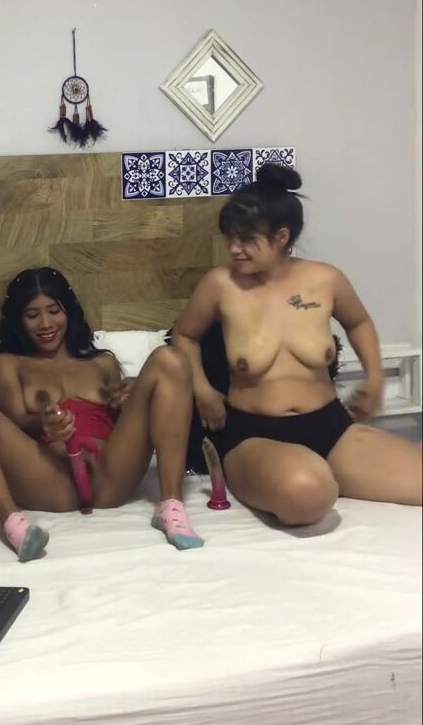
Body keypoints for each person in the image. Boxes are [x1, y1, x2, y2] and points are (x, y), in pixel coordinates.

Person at [172, 165, 422, 528]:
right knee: (308, 496)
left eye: (247, 239)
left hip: (331, 427)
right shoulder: (220, 284)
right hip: (254, 436)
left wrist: (374, 378)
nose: (234, 249)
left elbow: (359, 323)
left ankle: (326, 471)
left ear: (281, 237)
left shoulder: (326, 278)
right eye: (230, 238)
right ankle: (299, 476)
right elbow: (184, 336)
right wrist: (202, 391)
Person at [0, 267, 198, 560]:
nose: (45, 324)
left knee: (169, 359)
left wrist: (132, 394)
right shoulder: (9, 363)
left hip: (110, 475)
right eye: (32, 315)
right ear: (19, 320)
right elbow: (14, 419)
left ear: (68, 311)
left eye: (53, 311)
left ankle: (171, 505)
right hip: (48, 478)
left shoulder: (102, 362)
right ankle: (13, 522)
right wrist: (44, 423)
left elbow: (124, 423)